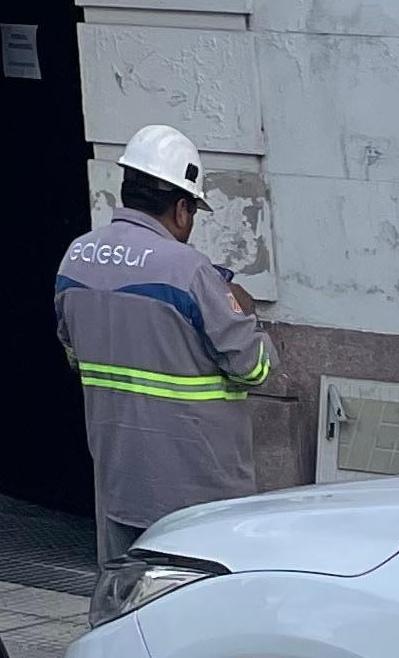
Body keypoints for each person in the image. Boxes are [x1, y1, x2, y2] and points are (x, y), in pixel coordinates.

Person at [56, 122, 273, 614]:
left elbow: (74, 355)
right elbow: (254, 368)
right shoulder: (189, 271)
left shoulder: (75, 261)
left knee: (121, 607)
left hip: (118, 477)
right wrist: (243, 311)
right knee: (200, 614)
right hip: (199, 487)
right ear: (180, 208)